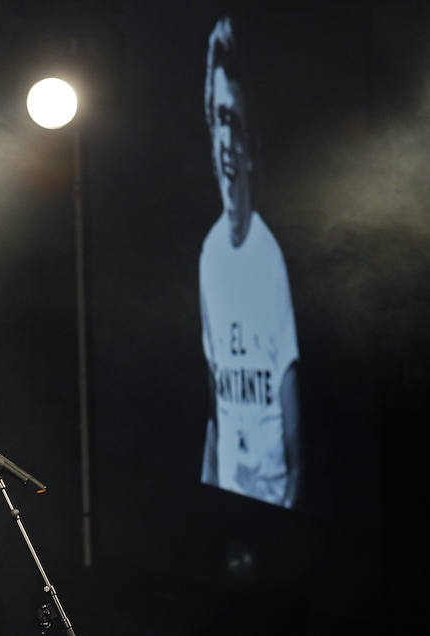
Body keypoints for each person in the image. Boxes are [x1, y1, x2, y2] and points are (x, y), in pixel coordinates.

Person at [199, 17, 302, 509]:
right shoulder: (210, 255)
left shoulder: (272, 260)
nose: (225, 141)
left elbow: (294, 433)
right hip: (228, 500)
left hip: (275, 502)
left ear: (252, 143)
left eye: (234, 122)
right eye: (218, 119)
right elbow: (216, 407)